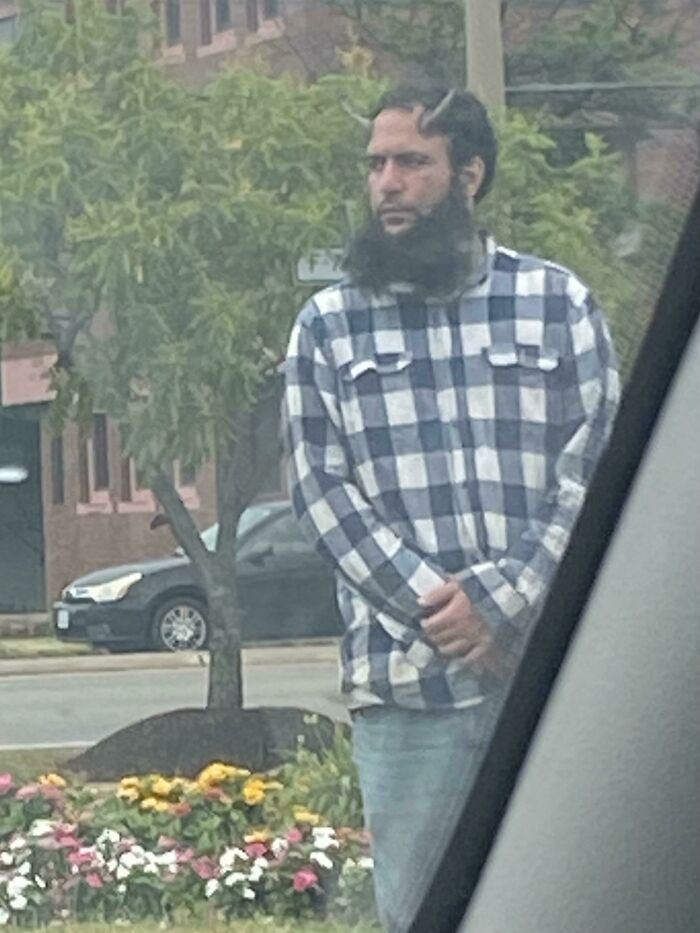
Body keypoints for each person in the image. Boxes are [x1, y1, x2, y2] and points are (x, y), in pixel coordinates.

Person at [283, 84, 620, 932]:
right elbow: (321, 493)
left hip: (549, 678)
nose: (386, 182)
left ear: (470, 174)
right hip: (406, 694)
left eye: (411, 162)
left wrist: (503, 605)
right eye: (376, 164)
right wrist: (448, 612)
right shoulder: (328, 327)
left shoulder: (559, 306)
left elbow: (596, 472)